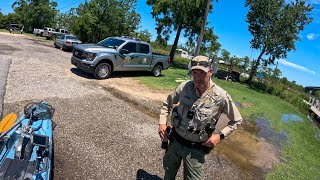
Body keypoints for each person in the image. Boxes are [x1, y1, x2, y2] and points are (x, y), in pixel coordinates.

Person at [158, 55, 243, 180]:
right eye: (194, 72)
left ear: (210, 71)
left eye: (201, 73)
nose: (197, 77)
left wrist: (219, 136)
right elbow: (167, 104)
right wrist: (162, 123)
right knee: (168, 172)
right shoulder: (184, 87)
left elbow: (237, 120)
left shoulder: (221, 96)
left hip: (195, 150)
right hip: (175, 142)